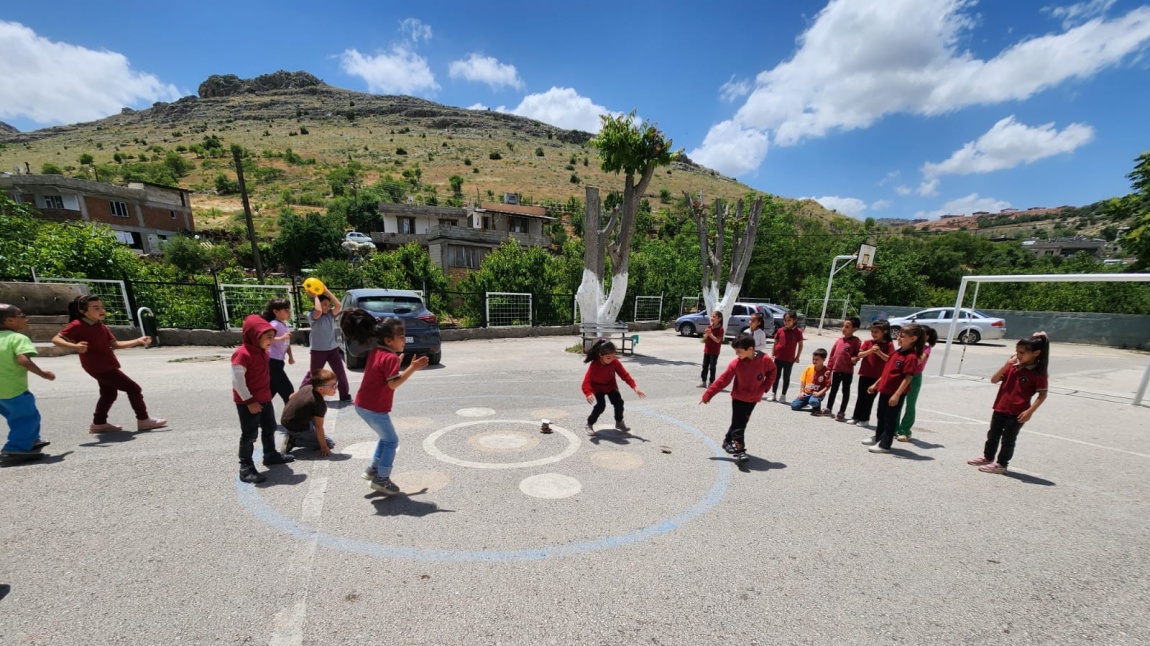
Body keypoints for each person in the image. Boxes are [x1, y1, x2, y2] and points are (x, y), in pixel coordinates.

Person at [340, 309, 428, 495]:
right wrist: (412, 368)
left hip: (363, 405)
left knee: (385, 438)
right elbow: (393, 384)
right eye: (401, 337)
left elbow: (383, 374)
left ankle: (373, 470)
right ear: (389, 340)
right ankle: (382, 479)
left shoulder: (377, 351)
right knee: (392, 441)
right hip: (374, 408)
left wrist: (398, 364)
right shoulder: (389, 358)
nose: (405, 340)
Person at [52, 295, 166, 433]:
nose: (101, 311)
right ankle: (143, 420)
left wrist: (138, 341)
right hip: (99, 367)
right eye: (96, 308)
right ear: (83, 311)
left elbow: (116, 344)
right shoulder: (77, 325)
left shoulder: (101, 327)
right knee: (134, 389)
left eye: (101, 307)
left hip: (106, 365)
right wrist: (75, 346)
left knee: (109, 394)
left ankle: (99, 423)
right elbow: (56, 339)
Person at [968, 332, 1050, 474]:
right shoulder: (1012, 367)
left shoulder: (1038, 374)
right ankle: (988, 457)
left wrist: (1030, 411)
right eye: (1017, 352)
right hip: (1000, 407)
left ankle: (1001, 464)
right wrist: (1006, 365)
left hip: (1018, 411)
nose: (1018, 355)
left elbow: (1042, 394)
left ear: (1036, 353)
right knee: (993, 435)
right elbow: (994, 380)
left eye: (1022, 352)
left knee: (1008, 439)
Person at [233, 314, 295, 484]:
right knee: (249, 435)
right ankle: (245, 467)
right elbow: (238, 382)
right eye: (268, 337)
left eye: (272, 336)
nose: (272, 340)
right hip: (249, 403)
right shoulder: (241, 354)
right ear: (254, 336)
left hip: (264, 398)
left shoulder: (263, 351)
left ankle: (270, 455)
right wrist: (249, 401)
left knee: (270, 427)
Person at [701, 333, 776, 463]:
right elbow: (722, 381)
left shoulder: (765, 360)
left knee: (740, 423)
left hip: (753, 399)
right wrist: (708, 394)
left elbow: (772, 371)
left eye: (739, 352)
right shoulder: (735, 364)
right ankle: (740, 451)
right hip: (739, 398)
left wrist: (765, 387)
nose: (737, 354)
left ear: (751, 349)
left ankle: (727, 441)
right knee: (739, 426)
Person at [0, 304, 55, 458]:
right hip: (13, 389)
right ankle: (15, 448)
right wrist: (43, 374)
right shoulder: (17, 338)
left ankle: (30, 440)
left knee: (15, 417)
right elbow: (23, 360)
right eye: (22, 315)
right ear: (10, 320)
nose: (26, 318)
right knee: (27, 418)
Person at [863, 324, 925, 453]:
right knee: (881, 415)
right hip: (884, 390)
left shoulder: (911, 357)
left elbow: (908, 378)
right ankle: (878, 437)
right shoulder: (897, 352)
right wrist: (876, 384)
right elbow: (887, 370)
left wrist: (897, 394)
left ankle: (885, 445)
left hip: (894, 393)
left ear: (913, 339)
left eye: (902, 336)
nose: (899, 338)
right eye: (899, 335)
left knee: (890, 419)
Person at [582, 338, 646, 436]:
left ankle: (619, 422)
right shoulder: (594, 365)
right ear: (600, 356)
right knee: (601, 406)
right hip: (598, 388)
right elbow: (586, 381)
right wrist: (588, 393)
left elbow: (625, 375)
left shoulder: (615, 362)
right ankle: (589, 424)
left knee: (619, 402)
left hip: (611, 386)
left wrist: (635, 387)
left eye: (613, 356)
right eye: (608, 357)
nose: (611, 359)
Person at [299, 288, 350, 402]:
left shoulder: (330, 315)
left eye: (328, 305)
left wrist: (326, 290)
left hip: (332, 350)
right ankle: (304, 392)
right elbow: (318, 311)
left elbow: (338, 305)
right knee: (314, 375)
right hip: (318, 351)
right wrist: (315, 296)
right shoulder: (312, 315)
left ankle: (345, 394)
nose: (327, 307)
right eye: (324, 305)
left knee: (340, 373)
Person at [280, 368, 337, 457]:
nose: (335, 388)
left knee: (313, 416)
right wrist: (324, 447)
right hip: (296, 426)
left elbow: (291, 396)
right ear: (321, 389)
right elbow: (319, 427)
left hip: (286, 419)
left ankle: (293, 434)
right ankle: (293, 441)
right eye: (333, 386)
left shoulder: (308, 387)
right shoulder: (319, 404)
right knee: (330, 443)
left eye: (336, 384)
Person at [896, 325, 938, 441]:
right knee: (896, 402)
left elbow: (919, 361)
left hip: (915, 377)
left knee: (910, 404)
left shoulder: (926, 349)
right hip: (902, 376)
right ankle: (894, 428)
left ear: (927, 337)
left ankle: (904, 430)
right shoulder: (908, 346)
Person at [849, 320, 893, 428]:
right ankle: (856, 417)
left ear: (885, 332)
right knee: (861, 397)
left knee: (869, 398)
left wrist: (879, 352)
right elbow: (859, 354)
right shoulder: (868, 342)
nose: (873, 334)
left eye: (876, 332)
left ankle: (864, 419)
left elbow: (890, 359)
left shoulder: (888, 344)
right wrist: (870, 351)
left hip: (877, 377)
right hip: (864, 373)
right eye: (872, 331)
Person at [822, 316, 862, 419]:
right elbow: (832, 356)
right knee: (833, 390)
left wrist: (854, 359)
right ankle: (828, 408)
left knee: (845, 391)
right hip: (836, 370)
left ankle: (841, 411)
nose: (843, 328)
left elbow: (858, 355)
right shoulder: (839, 340)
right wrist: (829, 369)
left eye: (847, 326)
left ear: (855, 329)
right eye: (843, 326)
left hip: (847, 371)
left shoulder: (856, 341)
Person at [262, 298, 295, 404]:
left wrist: (290, 356)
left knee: (272, 389)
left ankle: (259, 413)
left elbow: (287, 342)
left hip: (278, 361)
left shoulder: (283, 324)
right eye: (285, 310)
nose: (288, 312)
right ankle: (292, 417)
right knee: (288, 391)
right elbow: (266, 339)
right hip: (272, 360)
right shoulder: (274, 324)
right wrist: (282, 338)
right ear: (276, 312)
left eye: (288, 309)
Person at [769, 311, 804, 402]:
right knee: (776, 376)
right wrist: (773, 354)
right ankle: (773, 393)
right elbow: (775, 343)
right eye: (785, 320)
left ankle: (783, 395)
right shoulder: (780, 330)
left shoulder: (798, 332)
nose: (787, 322)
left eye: (789, 320)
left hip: (789, 360)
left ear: (794, 320)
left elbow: (800, 345)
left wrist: (797, 356)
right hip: (778, 358)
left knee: (786, 377)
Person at [698, 311, 724, 388]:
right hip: (707, 350)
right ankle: (703, 381)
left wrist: (710, 334)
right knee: (704, 366)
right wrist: (706, 334)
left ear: (719, 319)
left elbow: (717, 340)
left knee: (712, 367)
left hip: (714, 351)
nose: (712, 318)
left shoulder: (720, 329)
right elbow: (705, 339)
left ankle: (711, 382)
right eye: (712, 316)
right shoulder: (710, 327)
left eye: (714, 317)